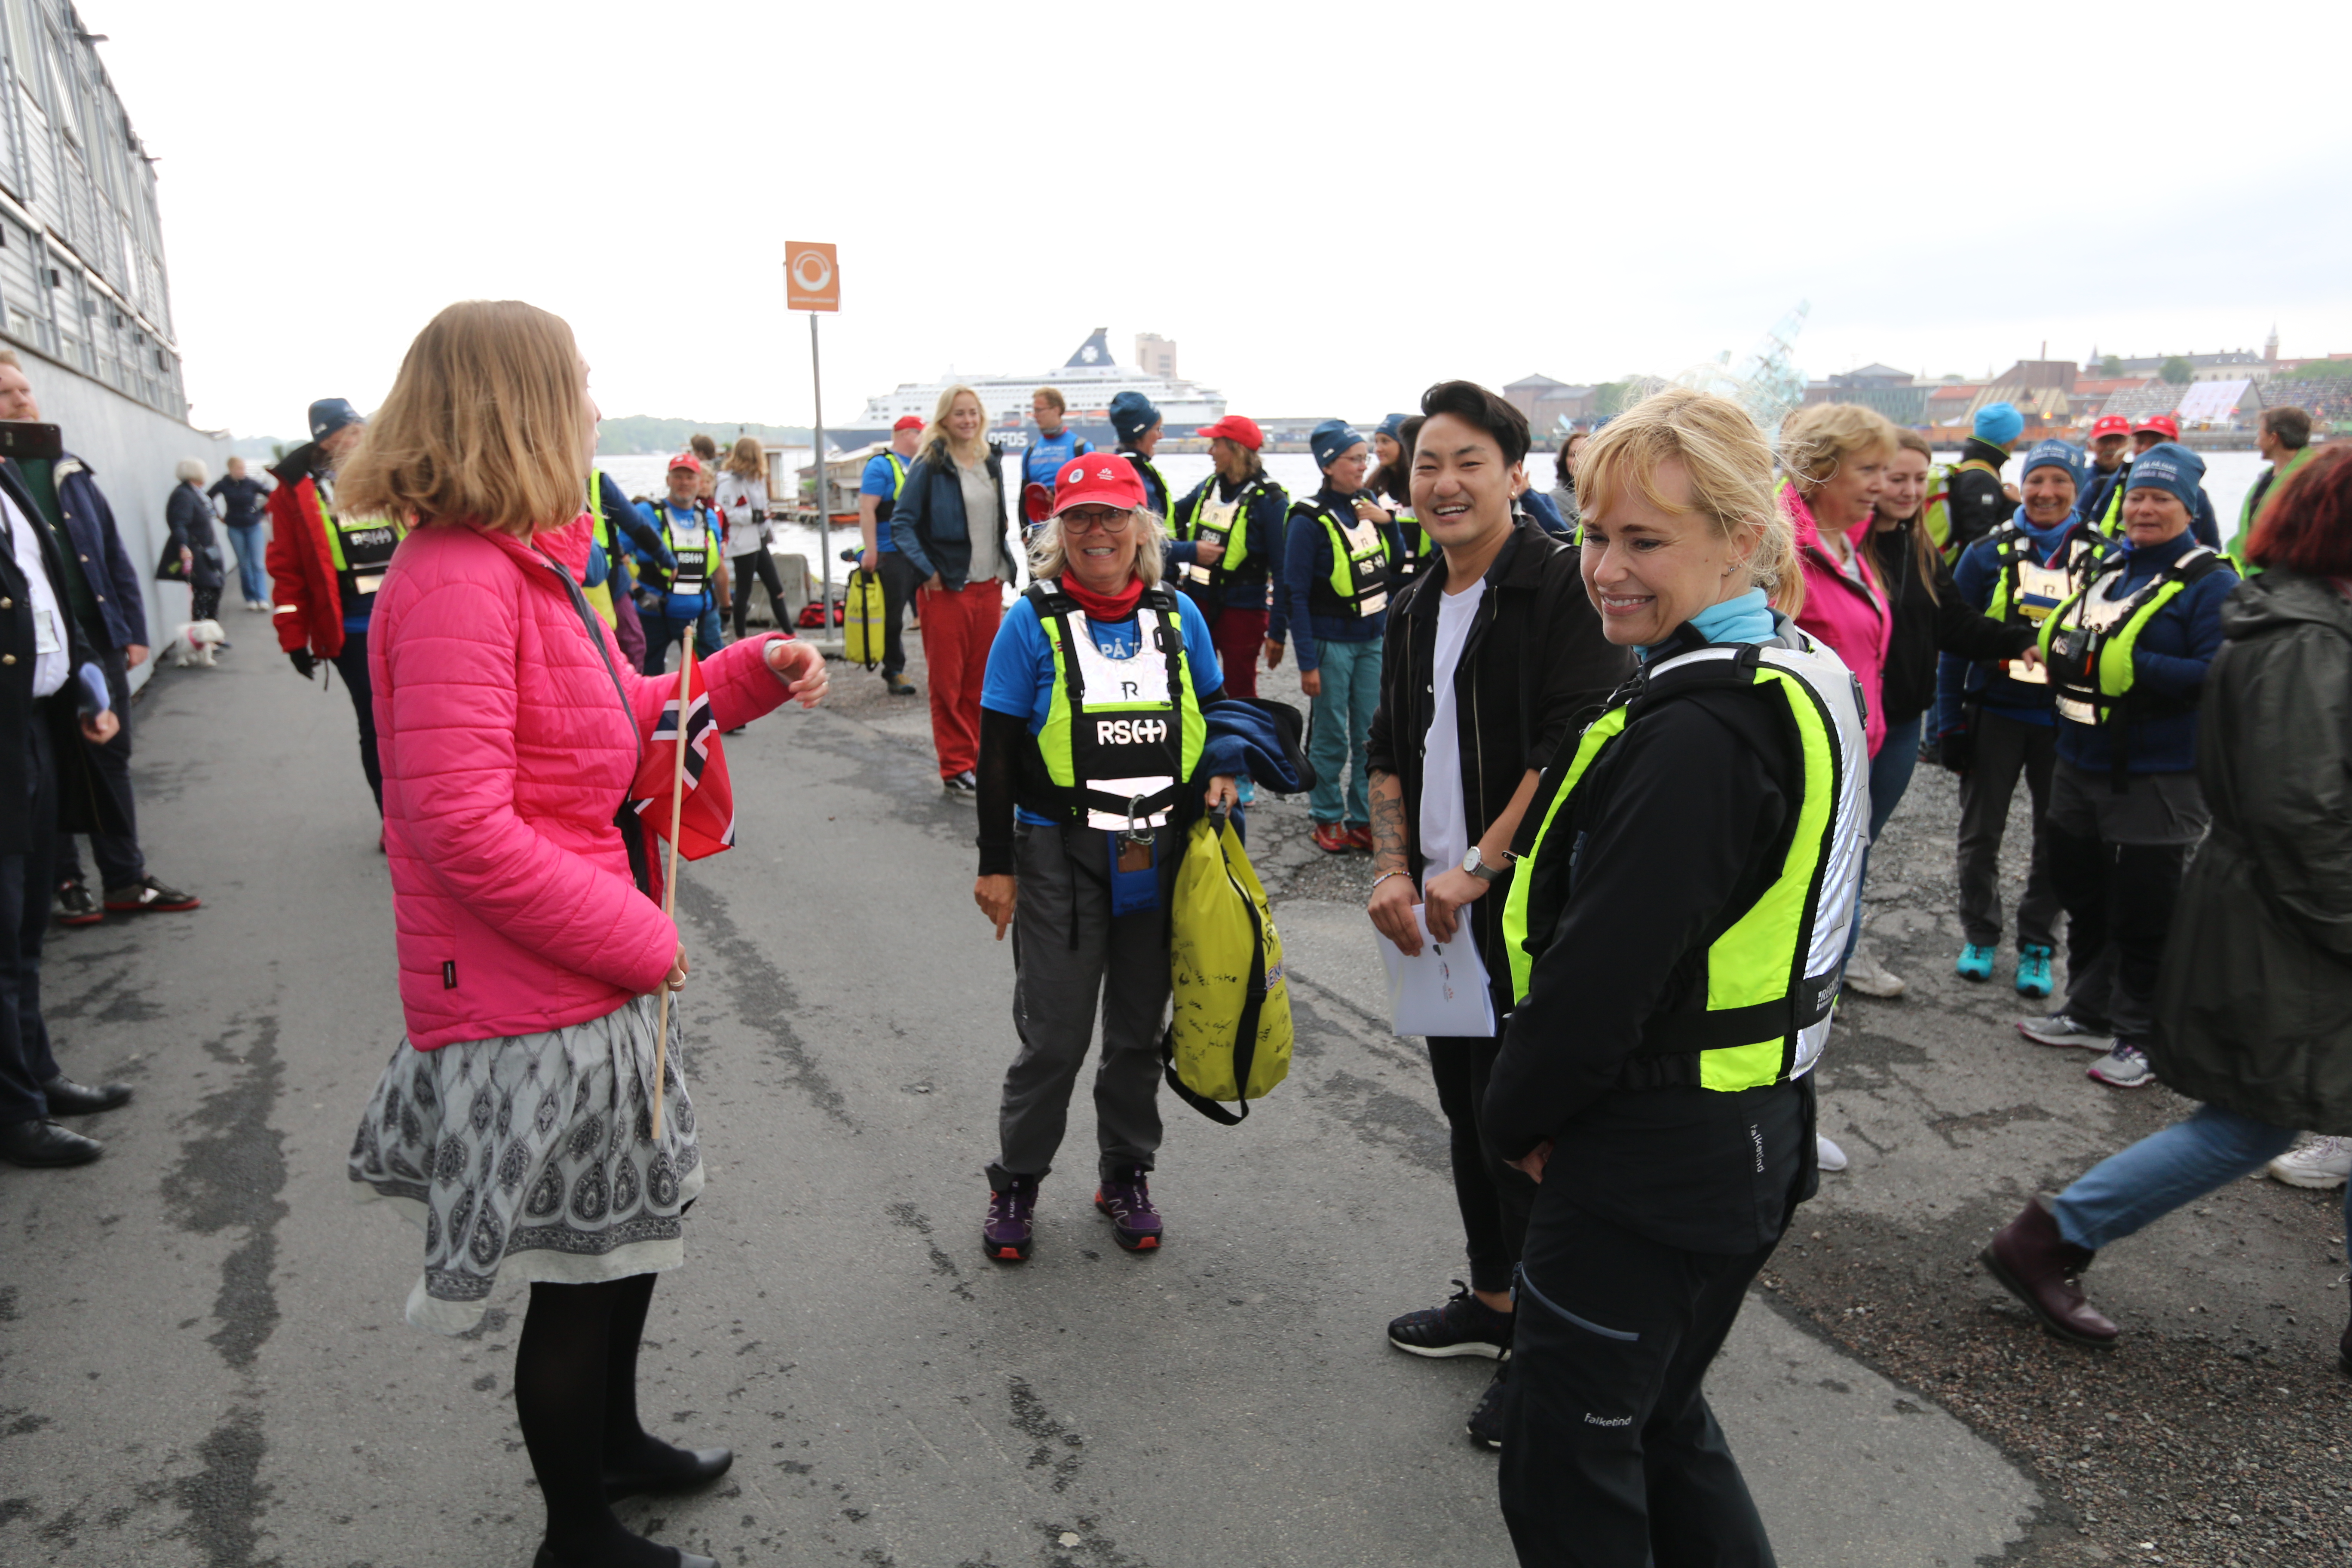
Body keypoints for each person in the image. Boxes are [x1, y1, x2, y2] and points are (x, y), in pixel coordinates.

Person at [339, 299, 829, 1568]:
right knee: (575, 1267)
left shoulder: (526, 561)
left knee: (621, 1241)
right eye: (580, 384)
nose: (596, 406)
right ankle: (577, 1529)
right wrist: (638, 935)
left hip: (577, 972)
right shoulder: (456, 579)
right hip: (530, 991)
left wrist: (753, 669)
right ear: (521, 405)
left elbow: (625, 719)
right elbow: (455, 824)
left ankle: (612, 1447)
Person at [1485, 388, 1864, 1566]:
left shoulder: (1705, 732)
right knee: (1659, 1425)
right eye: (1596, 534)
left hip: (1656, 1154)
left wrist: (1519, 1119)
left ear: (1743, 540)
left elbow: (1609, 975)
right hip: (1747, 1138)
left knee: (1571, 1474)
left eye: (1645, 540)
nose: (1606, 568)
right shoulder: (1788, 671)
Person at [1980, 445, 2352, 1372]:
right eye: (2138, 495)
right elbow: (2296, 810)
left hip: (2278, 904)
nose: (2142, 508)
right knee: (2249, 1118)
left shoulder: (2296, 620)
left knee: (2254, 1117)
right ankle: (2050, 1234)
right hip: (2290, 920)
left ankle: (2050, 1236)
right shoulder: (2306, 638)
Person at [1363, 380, 1629, 1451]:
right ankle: (1494, 1304)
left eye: (1468, 460)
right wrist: (1390, 868)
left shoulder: (1559, 583)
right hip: (1433, 915)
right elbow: (1386, 743)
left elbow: (1573, 736)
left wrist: (1482, 862)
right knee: (1470, 1119)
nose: (1444, 482)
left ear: (1514, 477)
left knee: (1532, 1135)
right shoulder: (1417, 597)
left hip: (1527, 909)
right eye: (1428, 462)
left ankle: (1552, 1364)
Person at [970, 452, 1230, 1261]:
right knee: (1054, 1034)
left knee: (1136, 1033)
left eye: (1112, 515)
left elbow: (1217, 710)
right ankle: (1016, 1179)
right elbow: (998, 751)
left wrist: (1227, 771)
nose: (1096, 531)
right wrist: (995, 863)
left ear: (1140, 526)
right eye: (1078, 517)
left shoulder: (1179, 614)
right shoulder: (1030, 620)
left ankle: (1125, 1171)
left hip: (1160, 851)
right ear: (1057, 531)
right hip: (1059, 855)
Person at [2017, 442, 2240, 1088]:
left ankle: (2142, 1035)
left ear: (2189, 508)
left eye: (2161, 499)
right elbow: (2081, 645)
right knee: (2083, 891)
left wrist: (2127, 667)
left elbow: (2217, 675)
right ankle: (2089, 1008)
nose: (2144, 509)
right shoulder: (2114, 566)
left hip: (2157, 774)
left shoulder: (2212, 583)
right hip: (2079, 760)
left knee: (2148, 907)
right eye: (2138, 496)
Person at [0, 351, 199, 918]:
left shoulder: (68, 468)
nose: (22, 400)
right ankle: (64, 883)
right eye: (6, 393)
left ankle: (125, 878)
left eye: (25, 388)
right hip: (30, 652)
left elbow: (112, 556)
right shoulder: (7, 476)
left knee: (110, 754)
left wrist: (132, 630)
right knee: (45, 764)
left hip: (95, 640)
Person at [1, 449, 132, 1168]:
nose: (19, 406)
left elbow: (48, 589)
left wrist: (84, 679)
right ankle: (15, 1111)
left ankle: (38, 1076)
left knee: (24, 930)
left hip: (39, 723)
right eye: (6, 392)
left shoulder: (12, 477)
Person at [1924, 439, 2091, 999]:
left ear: (2077, 487)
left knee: (2058, 836)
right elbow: (1952, 645)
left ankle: (2040, 943)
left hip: (2064, 721)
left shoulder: (2104, 555)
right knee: (1979, 836)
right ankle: (1981, 933)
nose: (2046, 493)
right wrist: (1948, 726)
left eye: (2059, 482)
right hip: (1993, 713)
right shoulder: (1985, 553)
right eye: (2037, 480)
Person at [267, 395, 398, 820]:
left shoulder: (393, 473)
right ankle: (393, 820)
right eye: (353, 429)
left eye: (363, 427)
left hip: (409, 619)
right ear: (329, 440)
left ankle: (434, 815)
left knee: (427, 724)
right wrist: (293, 640)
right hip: (354, 630)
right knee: (377, 726)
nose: (363, 436)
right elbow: (286, 570)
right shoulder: (294, 492)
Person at [891, 384, 1020, 796]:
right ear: (944, 419)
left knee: (983, 681)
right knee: (947, 683)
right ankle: (955, 765)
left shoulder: (990, 460)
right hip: (947, 588)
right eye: (959, 413)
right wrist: (926, 570)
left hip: (989, 585)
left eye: (973, 412)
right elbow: (902, 523)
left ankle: (980, 760)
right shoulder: (930, 463)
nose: (967, 420)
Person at [1279, 420, 1399, 854]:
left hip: (1372, 638)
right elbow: (1295, 594)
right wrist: (1307, 663)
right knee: (1330, 735)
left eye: (1365, 458)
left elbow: (1397, 561)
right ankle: (1327, 816)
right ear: (1329, 466)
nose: (1363, 466)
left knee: (1372, 732)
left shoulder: (1367, 503)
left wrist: (1387, 523)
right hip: (1331, 643)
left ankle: (1364, 817)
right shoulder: (1307, 520)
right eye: (1354, 459)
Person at [1167, 415, 1286, 700]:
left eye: (1216, 444)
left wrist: (1278, 632)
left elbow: (1284, 572)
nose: (1210, 452)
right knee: (1189, 684)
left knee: (1240, 689)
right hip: (1198, 604)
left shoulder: (1271, 501)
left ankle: (1242, 742)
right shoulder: (1208, 488)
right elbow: (1170, 516)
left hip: (1243, 611)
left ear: (1236, 449)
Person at [632, 454, 725, 675]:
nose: (684, 483)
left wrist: (727, 607)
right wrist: (637, 593)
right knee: (647, 679)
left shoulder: (709, 517)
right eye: (678, 477)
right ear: (668, 480)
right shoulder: (647, 513)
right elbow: (617, 557)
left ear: (699, 482)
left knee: (715, 677)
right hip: (655, 614)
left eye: (690, 477)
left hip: (702, 615)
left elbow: (718, 565)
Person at [857, 416, 925, 695]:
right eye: (920, 434)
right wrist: (871, 551)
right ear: (907, 435)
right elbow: (867, 509)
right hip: (891, 552)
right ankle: (894, 670)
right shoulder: (881, 466)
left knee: (932, 614)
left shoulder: (922, 466)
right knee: (894, 617)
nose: (924, 440)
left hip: (920, 553)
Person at [2079, 415, 2222, 548]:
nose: (2146, 449)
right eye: (2140, 442)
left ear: (2174, 445)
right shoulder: (2102, 486)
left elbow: (2211, 547)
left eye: (2156, 443)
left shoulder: (2195, 494)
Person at [716, 436, 785, 640]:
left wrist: (764, 519)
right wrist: (754, 516)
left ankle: (789, 633)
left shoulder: (756, 479)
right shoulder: (730, 482)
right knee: (744, 589)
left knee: (776, 588)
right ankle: (740, 637)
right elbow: (724, 511)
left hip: (759, 537)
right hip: (743, 541)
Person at [1944, 400, 2026, 560]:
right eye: (2017, 433)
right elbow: (1981, 541)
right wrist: (2015, 506)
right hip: (1965, 577)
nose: (2019, 439)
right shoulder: (1981, 480)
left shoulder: (1972, 468)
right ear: (2006, 439)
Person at [2231, 403, 2315, 557]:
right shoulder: (2267, 479)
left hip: (2283, 576)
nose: (2256, 442)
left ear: (2273, 438)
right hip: (2252, 573)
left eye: (2259, 435)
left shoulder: (2312, 479)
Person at [207, 455, 273, 611]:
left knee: (258, 564)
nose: (241, 472)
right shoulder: (223, 485)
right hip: (235, 527)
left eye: (243, 468)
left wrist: (261, 512)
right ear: (230, 469)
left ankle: (262, 598)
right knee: (244, 565)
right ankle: (250, 597)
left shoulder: (251, 483)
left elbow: (271, 495)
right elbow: (207, 498)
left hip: (253, 526)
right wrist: (218, 516)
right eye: (238, 469)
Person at [166, 459, 227, 625]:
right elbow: (179, 523)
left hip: (208, 549)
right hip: (197, 551)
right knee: (205, 591)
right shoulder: (183, 495)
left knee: (215, 588)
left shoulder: (196, 493)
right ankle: (202, 636)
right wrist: (184, 547)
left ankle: (212, 633)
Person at [1020, 387, 1092, 503]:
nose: (1035, 416)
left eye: (1039, 410)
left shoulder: (1081, 448)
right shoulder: (1030, 451)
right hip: (1037, 521)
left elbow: (1092, 491)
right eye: (1034, 411)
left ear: (1056, 410)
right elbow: (1024, 497)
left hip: (1069, 518)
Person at [1109, 390, 1170, 521]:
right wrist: (1196, 543)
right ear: (1140, 434)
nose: (1161, 436)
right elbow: (1146, 537)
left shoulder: (1122, 467)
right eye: (1158, 429)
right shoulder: (1133, 477)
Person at [1547, 431, 1588, 530]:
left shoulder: (1608, 496)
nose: (1579, 460)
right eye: (1573, 455)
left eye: (1586, 453)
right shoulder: (1557, 499)